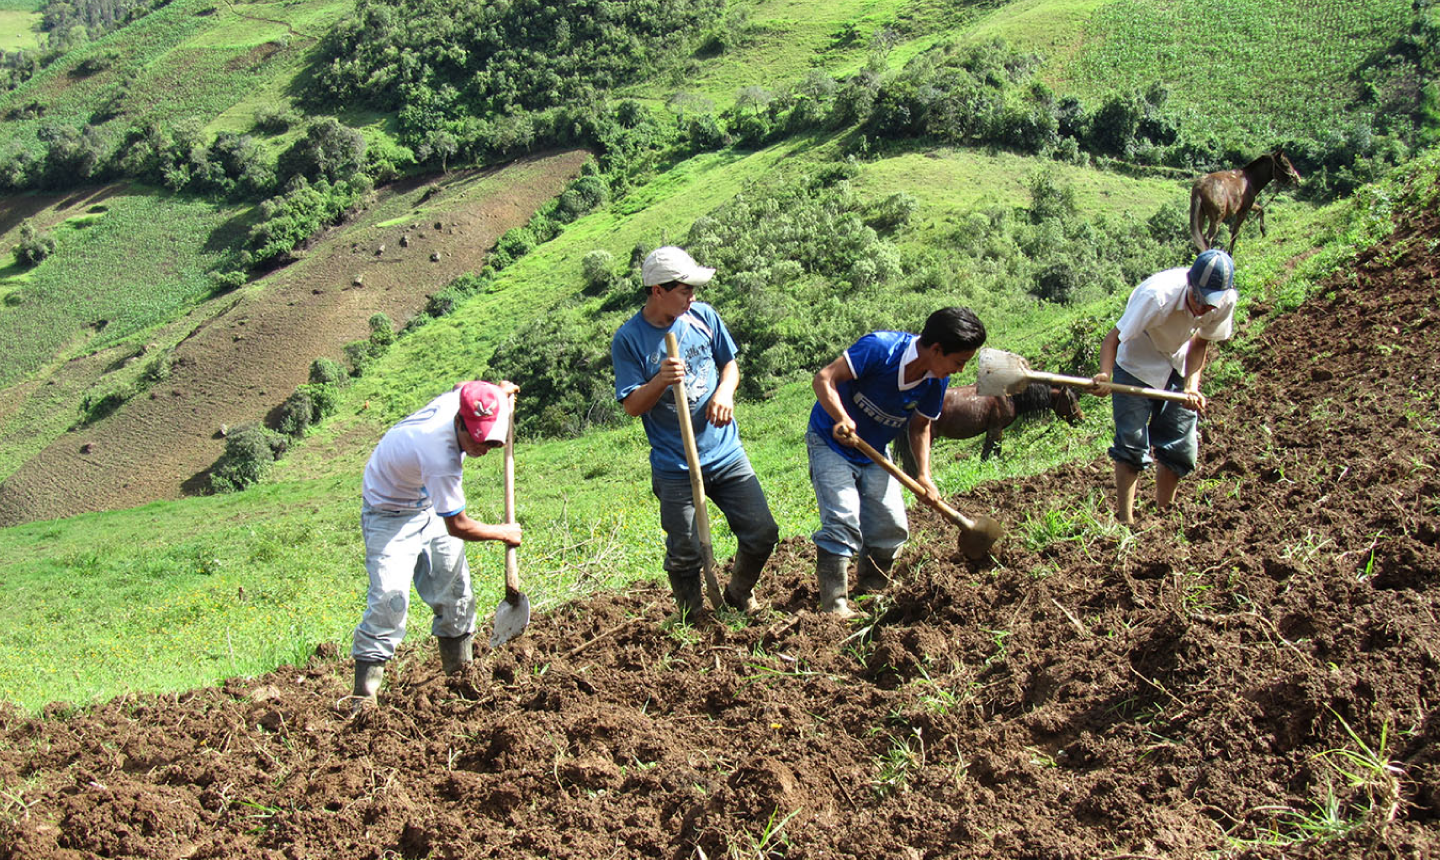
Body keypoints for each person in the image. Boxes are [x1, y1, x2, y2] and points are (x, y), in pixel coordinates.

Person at [611, 246, 779, 619]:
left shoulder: (703, 317)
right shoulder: (629, 339)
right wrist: (660, 381)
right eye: (685, 290)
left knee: (762, 531)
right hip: (676, 466)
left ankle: (738, 594)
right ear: (658, 291)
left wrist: (724, 391)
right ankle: (693, 617)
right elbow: (631, 406)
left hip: (725, 453)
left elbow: (729, 366)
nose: (693, 297)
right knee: (685, 549)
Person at [351, 380, 523, 708]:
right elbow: (458, 526)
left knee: (456, 592)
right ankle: (364, 697)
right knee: (390, 602)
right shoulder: (440, 454)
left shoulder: (465, 400)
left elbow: (467, 387)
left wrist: (499, 393)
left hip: (425, 501)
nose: (482, 449)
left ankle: (460, 677)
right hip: (388, 511)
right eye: (476, 441)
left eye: (489, 441)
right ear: (459, 421)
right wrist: (504, 533)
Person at [808, 307, 988, 618]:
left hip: (875, 448)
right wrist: (842, 418)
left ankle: (871, 591)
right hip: (831, 441)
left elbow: (920, 426)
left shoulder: (935, 381)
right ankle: (834, 607)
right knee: (843, 518)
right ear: (936, 349)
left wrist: (924, 475)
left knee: (891, 525)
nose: (959, 371)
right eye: (958, 362)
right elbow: (824, 379)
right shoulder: (879, 349)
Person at [1092, 248, 1237, 524]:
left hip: (1178, 362)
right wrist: (1104, 375)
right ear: (1190, 284)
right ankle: (1126, 522)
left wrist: (1191, 387)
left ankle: (1165, 518)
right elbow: (1113, 340)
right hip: (1136, 361)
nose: (1203, 308)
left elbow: (1201, 342)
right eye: (1199, 299)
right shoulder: (1156, 297)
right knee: (1132, 442)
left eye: (1210, 305)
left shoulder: (1224, 302)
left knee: (1180, 444)